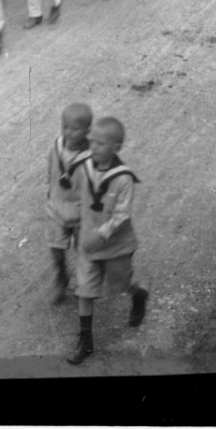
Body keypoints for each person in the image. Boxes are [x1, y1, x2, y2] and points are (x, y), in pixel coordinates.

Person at [66, 116, 148, 365]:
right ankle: (86, 341)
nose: (94, 148)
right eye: (92, 142)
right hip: (88, 244)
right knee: (85, 290)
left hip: (115, 245)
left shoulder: (123, 178)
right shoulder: (84, 167)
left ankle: (138, 294)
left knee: (120, 283)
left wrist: (101, 233)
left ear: (116, 148)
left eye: (101, 144)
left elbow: (122, 214)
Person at [46, 102, 93, 305]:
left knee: (84, 252)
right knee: (56, 250)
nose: (68, 132)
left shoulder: (93, 158)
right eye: (64, 126)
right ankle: (61, 277)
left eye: (74, 129)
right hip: (57, 210)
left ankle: (86, 283)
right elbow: (51, 171)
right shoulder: (56, 147)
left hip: (81, 215)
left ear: (87, 131)